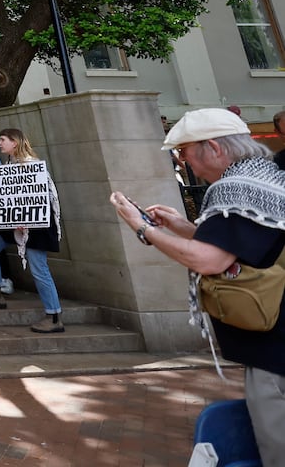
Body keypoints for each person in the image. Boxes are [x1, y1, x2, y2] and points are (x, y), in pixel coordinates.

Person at [112, 108, 285, 463]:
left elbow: (209, 260)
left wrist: (143, 228)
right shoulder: (263, 178)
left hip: (275, 351)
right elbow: (238, 246)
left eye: (185, 150)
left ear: (214, 148)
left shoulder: (235, 188)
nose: (182, 159)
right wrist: (179, 226)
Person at [0, 128, 64, 332]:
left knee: (39, 269)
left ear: (15, 142)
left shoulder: (31, 165)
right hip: (11, 223)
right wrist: (0, 219)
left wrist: (25, 218)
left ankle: (54, 316)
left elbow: (41, 197)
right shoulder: (9, 164)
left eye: (3, 139)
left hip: (34, 226)